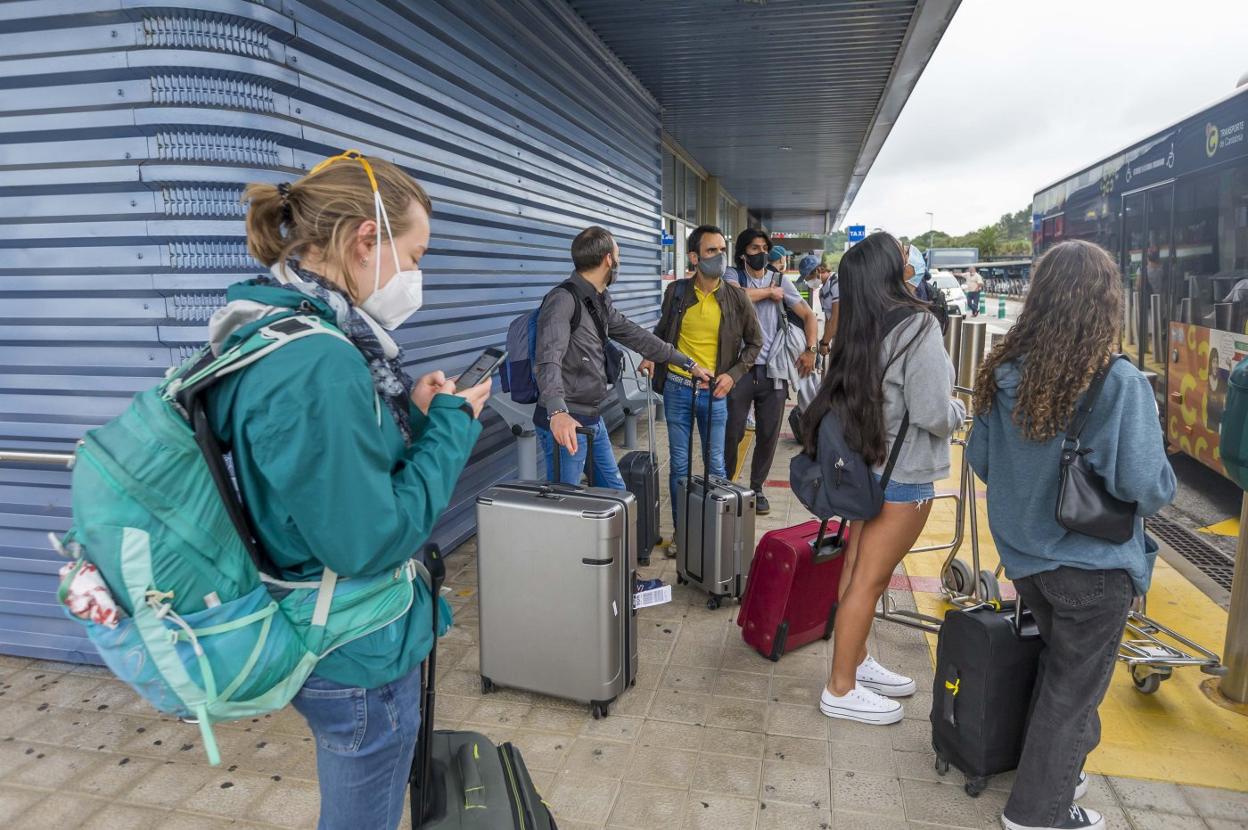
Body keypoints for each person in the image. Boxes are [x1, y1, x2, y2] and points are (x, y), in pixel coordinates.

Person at [210, 151, 489, 829]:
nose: (416, 276)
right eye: (415, 255)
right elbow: (368, 540)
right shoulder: (318, 360)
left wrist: (416, 419)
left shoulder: (272, 327)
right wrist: (452, 430)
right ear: (368, 238)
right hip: (356, 651)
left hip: (326, 628)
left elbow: (321, 480)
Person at [968, 240, 1176, 830]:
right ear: (1106, 305)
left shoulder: (1002, 372)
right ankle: (1036, 816)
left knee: (1063, 672)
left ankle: (1056, 771)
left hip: (1027, 561)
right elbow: (1149, 488)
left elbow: (984, 462)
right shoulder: (1117, 382)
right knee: (1074, 691)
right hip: (1093, 565)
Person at [801, 232, 964, 725]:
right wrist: (958, 409)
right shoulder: (918, 326)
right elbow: (935, 412)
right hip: (904, 474)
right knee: (869, 581)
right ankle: (841, 688)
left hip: (867, 469)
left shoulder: (860, 324)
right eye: (902, 252)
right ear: (892, 270)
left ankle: (856, 662)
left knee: (856, 572)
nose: (909, 256)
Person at [535, 225, 711, 490]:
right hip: (568, 422)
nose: (618, 262)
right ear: (608, 259)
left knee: (616, 494)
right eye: (618, 255)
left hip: (591, 417)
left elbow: (637, 336)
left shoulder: (598, 300)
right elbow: (548, 357)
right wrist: (557, 411)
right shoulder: (563, 299)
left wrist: (687, 362)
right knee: (564, 505)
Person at [640, 225, 762, 557]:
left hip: (716, 393)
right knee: (679, 466)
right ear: (694, 257)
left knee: (716, 466)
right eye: (711, 251)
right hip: (679, 390)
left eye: (723, 249)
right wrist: (651, 356)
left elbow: (755, 343)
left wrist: (733, 375)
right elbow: (663, 333)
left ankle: (716, 536)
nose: (719, 256)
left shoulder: (736, 297)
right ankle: (684, 534)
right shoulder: (677, 292)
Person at [724, 229, 818, 514]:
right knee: (733, 429)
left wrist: (811, 349)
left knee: (768, 433)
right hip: (739, 369)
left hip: (772, 370)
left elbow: (809, 315)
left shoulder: (780, 280)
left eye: (764, 247)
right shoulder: (732, 275)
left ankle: (757, 488)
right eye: (754, 248)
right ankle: (725, 483)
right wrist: (769, 293)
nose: (760, 253)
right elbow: (734, 298)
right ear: (742, 253)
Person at [798, 254, 839, 355]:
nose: (807, 282)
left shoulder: (836, 282)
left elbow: (835, 317)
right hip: (837, 338)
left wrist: (824, 343)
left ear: (817, 271)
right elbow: (828, 319)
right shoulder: (822, 292)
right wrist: (826, 340)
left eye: (807, 278)